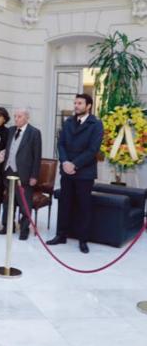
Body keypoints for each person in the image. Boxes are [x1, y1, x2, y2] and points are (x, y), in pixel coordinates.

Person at [47, 93, 103, 254]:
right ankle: (61, 235)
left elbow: (93, 150)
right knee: (64, 204)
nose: (76, 106)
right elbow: (61, 143)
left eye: (79, 103)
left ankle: (83, 240)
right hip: (66, 171)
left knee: (84, 207)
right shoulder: (68, 122)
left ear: (88, 106)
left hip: (84, 173)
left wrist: (75, 164)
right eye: (75, 103)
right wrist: (65, 162)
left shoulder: (96, 124)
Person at [0, 107, 41, 240]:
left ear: (27, 118)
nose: (16, 119)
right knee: (8, 201)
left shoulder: (34, 133)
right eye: (15, 116)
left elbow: (37, 156)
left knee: (24, 203)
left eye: (19, 117)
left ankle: (24, 229)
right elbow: (8, 148)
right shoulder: (11, 130)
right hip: (8, 170)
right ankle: (7, 226)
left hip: (24, 173)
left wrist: (34, 176)